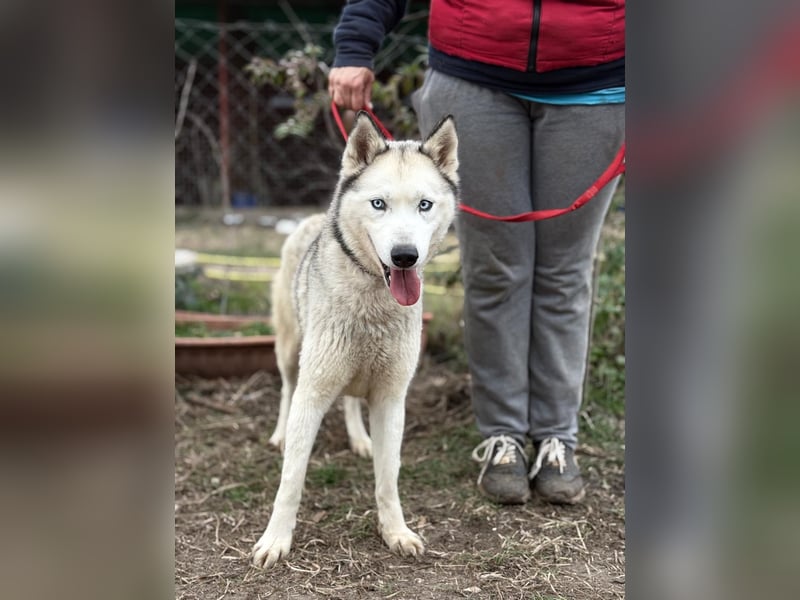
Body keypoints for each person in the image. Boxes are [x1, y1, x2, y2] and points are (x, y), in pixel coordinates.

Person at [328, 0, 625, 505]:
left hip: (596, 84)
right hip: (475, 78)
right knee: (495, 268)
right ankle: (502, 436)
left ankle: (557, 437)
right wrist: (356, 43)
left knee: (565, 271)